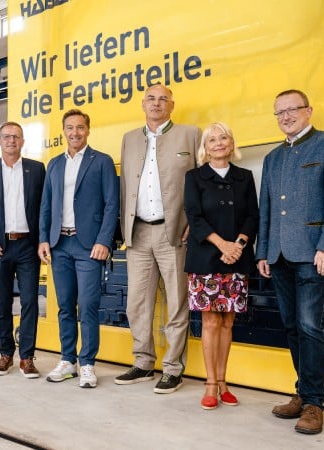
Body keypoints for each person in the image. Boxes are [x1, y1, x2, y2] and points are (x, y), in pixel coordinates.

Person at [256, 89, 324, 434]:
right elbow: (266, 209)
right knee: (292, 326)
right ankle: (302, 392)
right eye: (279, 112)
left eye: (292, 109)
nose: (285, 116)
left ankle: (314, 404)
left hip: (314, 254)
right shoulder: (272, 158)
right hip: (279, 254)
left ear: (308, 111)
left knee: (311, 327)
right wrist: (263, 251)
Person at [115, 84, 200, 394]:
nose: (156, 103)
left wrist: (195, 224)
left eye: (163, 98)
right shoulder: (129, 139)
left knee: (177, 302)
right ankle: (142, 362)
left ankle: (173, 368)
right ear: (142, 104)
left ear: (172, 105)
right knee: (137, 303)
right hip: (137, 233)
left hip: (174, 231)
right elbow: (125, 186)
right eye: (151, 98)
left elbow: (201, 181)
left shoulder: (190, 134)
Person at [38, 109, 119, 388]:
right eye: (70, 128)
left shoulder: (102, 162)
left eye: (80, 127)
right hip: (60, 244)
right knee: (64, 305)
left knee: (87, 305)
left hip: (88, 246)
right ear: (64, 131)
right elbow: (46, 205)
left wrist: (104, 241)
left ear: (88, 130)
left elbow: (112, 205)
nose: (75, 132)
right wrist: (43, 239)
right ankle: (67, 360)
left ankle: (87, 364)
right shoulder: (55, 164)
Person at [184, 122, 258, 410]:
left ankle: (224, 381)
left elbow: (253, 215)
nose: (218, 142)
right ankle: (210, 384)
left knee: (228, 322)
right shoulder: (195, 177)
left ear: (231, 142)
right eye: (212, 139)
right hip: (206, 258)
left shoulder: (245, 177)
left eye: (223, 137)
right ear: (205, 147)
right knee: (211, 321)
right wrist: (222, 245)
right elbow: (194, 216)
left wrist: (237, 245)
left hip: (237, 257)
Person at [0, 121, 45, 378]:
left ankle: (27, 357)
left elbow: (44, 209)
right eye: (6, 137)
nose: (11, 140)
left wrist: (42, 241)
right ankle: (5, 354)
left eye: (16, 137)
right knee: (2, 302)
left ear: (22, 142)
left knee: (29, 302)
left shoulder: (37, 170)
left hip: (27, 246)